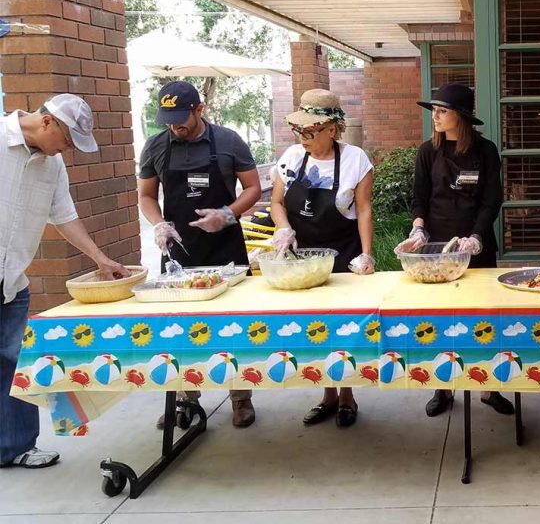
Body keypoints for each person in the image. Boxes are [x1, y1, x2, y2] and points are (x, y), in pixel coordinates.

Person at [1, 94, 129, 469]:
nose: (67, 150)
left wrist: (101, 260)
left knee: (15, 365)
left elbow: (65, 217)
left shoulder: (53, 166)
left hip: (12, 282)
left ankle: (15, 447)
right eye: (68, 140)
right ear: (47, 123)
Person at [138, 81, 262, 428]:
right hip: (179, 251)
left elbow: (253, 187)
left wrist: (227, 214)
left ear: (199, 110)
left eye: (181, 117)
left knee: (233, 326)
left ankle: (241, 398)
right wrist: (159, 224)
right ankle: (183, 398)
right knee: (178, 328)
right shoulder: (157, 146)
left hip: (225, 248)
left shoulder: (228, 141)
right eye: (168, 118)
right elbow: (147, 195)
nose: (174, 125)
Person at [394, 83, 514, 418]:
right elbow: (420, 199)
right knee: (440, 320)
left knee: (484, 318)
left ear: (460, 116)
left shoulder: (485, 151)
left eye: (442, 110)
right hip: (436, 250)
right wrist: (418, 229)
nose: (435, 116)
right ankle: (442, 386)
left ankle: (489, 388)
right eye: (434, 110)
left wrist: (476, 237)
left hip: (476, 247)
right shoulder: (427, 152)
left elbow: (492, 200)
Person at [270, 89, 374, 428]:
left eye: (310, 132)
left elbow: (363, 210)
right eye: (299, 131)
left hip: (342, 254)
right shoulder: (291, 157)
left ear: (332, 128)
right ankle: (326, 395)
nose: (303, 139)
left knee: (343, 331)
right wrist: (283, 228)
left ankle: (346, 396)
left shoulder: (356, 159)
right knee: (316, 329)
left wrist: (367, 255)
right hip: (301, 256)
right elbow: (276, 204)